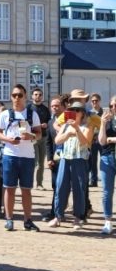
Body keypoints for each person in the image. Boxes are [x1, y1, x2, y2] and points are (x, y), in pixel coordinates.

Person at [0, 84, 41, 232]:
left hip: (27, 156)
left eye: (20, 95)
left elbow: (39, 134)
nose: (17, 98)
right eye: (14, 95)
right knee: (9, 188)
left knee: (26, 189)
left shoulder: (32, 114)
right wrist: (9, 140)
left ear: (25, 96)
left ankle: (28, 220)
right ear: (11, 97)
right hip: (10, 155)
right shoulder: (5, 114)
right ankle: (9, 219)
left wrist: (31, 136)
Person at [48, 100, 91, 230]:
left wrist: (77, 129)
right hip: (65, 160)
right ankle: (58, 216)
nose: (74, 112)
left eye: (77, 110)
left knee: (79, 189)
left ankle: (78, 218)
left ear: (82, 113)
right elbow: (57, 140)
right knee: (61, 187)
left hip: (79, 160)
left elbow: (86, 143)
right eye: (72, 110)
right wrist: (67, 133)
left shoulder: (87, 126)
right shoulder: (65, 126)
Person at [97, 98, 116, 235]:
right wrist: (102, 124)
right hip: (107, 157)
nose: (113, 107)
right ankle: (108, 220)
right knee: (107, 192)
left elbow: (109, 140)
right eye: (111, 105)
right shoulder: (107, 121)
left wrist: (112, 139)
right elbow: (102, 141)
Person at [27, 87, 50, 189]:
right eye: (36, 94)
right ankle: (29, 182)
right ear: (32, 96)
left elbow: (49, 121)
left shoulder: (45, 109)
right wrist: (37, 126)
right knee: (35, 162)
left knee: (41, 162)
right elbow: (25, 123)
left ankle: (39, 183)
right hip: (33, 137)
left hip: (43, 137)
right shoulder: (28, 108)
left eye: (40, 95)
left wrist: (46, 124)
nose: (38, 96)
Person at [87, 93, 103, 187]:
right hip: (92, 140)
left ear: (99, 101)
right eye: (92, 101)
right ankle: (93, 180)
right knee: (92, 161)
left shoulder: (104, 113)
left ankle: (105, 178)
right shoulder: (89, 113)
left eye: (96, 101)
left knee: (104, 160)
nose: (94, 102)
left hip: (101, 140)